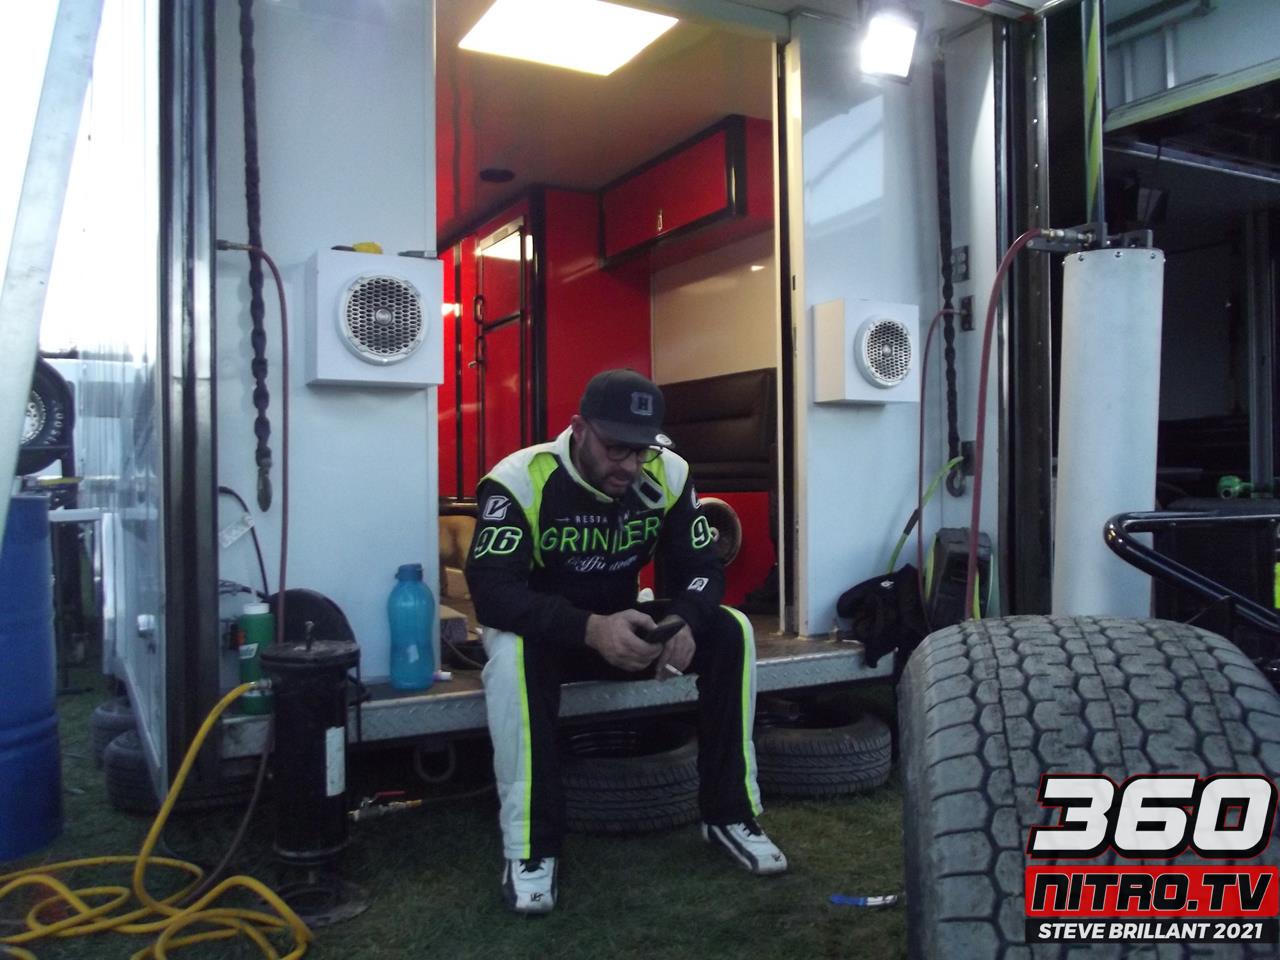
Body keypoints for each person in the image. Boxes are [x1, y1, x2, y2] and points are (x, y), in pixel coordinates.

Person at [466, 368, 787, 914]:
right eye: (616, 448)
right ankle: (530, 848)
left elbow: (705, 569)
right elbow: (493, 594)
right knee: (513, 651)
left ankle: (730, 814)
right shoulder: (520, 479)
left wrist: (685, 619)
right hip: (552, 637)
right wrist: (590, 628)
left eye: (641, 450)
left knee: (731, 628)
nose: (631, 466)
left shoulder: (669, 471)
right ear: (578, 429)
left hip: (623, 627)